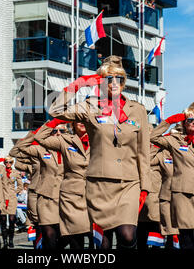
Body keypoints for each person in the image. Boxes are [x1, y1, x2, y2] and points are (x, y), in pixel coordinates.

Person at [50, 55, 152, 250]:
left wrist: (145, 186)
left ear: (124, 83)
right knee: (103, 242)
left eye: (119, 79)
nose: (114, 83)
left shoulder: (137, 110)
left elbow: (143, 152)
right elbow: (55, 110)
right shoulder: (90, 107)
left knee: (127, 235)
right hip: (99, 185)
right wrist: (78, 85)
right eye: (108, 79)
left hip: (129, 184)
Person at [150, 101, 194, 250]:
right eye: (190, 119)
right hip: (182, 196)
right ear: (184, 122)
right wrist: (169, 121)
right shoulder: (175, 141)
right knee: (186, 239)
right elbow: (152, 137)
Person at [35, 119, 93, 250]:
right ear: (72, 123)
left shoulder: (97, 137)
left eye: (85, 119)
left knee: (94, 238)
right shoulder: (65, 140)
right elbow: (39, 137)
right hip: (72, 196)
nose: (82, 122)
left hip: (93, 193)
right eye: (78, 120)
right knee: (75, 240)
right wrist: (56, 121)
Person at [10, 134, 42, 249]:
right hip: (34, 195)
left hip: (48, 195)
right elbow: (15, 157)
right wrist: (30, 137)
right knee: (34, 225)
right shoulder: (32, 165)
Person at [1, 156, 23, 248]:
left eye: (10, 162)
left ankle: (11, 240)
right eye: (6, 162)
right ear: (4, 163)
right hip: (2, 197)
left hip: (12, 198)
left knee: (11, 219)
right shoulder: (1, 172)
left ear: (12, 163)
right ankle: (5, 241)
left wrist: (15, 192)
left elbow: (20, 185)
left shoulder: (16, 173)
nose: (8, 164)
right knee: (3, 220)